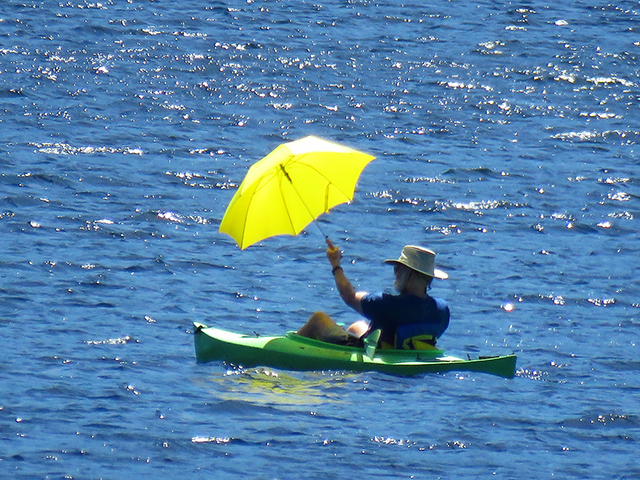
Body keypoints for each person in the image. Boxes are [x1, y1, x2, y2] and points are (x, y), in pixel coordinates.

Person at [296, 240, 450, 350]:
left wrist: (335, 264)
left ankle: (294, 348)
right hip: (406, 351)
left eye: (398, 268)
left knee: (318, 319)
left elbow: (349, 297)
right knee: (358, 326)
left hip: (377, 352)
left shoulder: (387, 305)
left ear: (409, 274)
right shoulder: (442, 310)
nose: (395, 272)